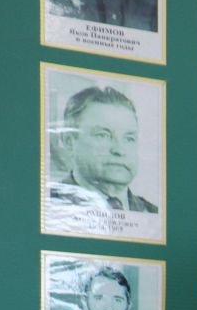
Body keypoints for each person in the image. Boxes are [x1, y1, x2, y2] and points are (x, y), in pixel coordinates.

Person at [51, 85, 157, 214]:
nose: (119, 150)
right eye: (103, 135)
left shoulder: (154, 214)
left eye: (129, 138)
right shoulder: (48, 206)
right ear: (69, 142)